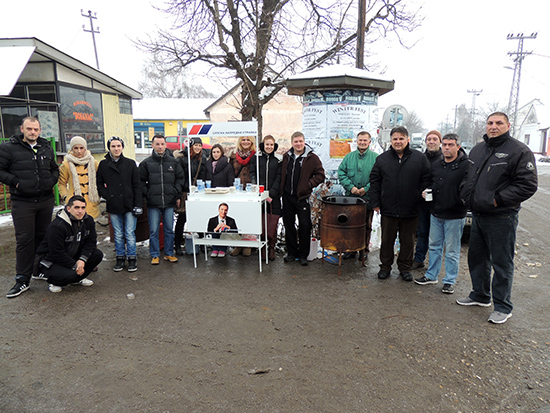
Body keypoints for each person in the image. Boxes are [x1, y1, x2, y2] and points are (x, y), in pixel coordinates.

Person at [457, 112, 538, 324]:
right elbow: (468, 176)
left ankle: (503, 306)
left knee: (502, 263)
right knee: (477, 258)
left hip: (502, 216)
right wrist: (465, 192)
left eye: (499, 123)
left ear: (508, 125)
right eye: (490, 123)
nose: (493, 126)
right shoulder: (478, 149)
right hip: (479, 214)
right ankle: (480, 295)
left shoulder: (519, 151)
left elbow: (527, 185)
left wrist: (497, 200)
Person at [0, 117, 59, 298]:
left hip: (45, 200)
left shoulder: (45, 147)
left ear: (40, 130)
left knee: (42, 237)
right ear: (22, 129)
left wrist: (51, 181)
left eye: (36, 129)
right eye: (29, 129)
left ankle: (38, 269)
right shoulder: (9, 148)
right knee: (25, 240)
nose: (33, 132)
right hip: (23, 202)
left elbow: (54, 169)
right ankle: (22, 279)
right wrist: (16, 183)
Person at [369, 126, 430, 281]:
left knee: (407, 241)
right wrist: (375, 202)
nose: (398, 142)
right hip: (388, 208)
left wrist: (420, 195)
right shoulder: (382, 159)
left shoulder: (419, 158)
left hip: (411, 208)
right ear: (391, 140)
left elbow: (426, 179)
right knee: (387, 240)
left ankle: (404, 268)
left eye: (401, 138)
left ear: (407, 140)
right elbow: (375, 182)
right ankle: (385, 267)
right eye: (395, 139)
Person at [414, 134, 468, 293]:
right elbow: (431, 183)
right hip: (436, 213)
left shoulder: (466, 165)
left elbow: (469, 187)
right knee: (434, 246)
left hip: (455, 215)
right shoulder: (437, 165)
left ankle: (449, 281)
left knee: (452, 250)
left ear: (458, 146)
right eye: (444, 144)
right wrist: (427, 192)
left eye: (450, 145)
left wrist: (463, 202)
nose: (446, 147)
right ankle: (431, 275)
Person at [34, 195, 103, 293]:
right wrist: (75, 266)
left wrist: (82, 260)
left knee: (97, 254)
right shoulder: (57, 226)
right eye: (76, 207)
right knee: (69, 274)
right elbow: (56, 253)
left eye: (83, 208)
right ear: (68, 208)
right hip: (51, 261)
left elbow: (90, 242)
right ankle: (54, 282)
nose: (80, 211)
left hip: (72, 255)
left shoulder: (88, 220)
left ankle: (77, 279)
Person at [97, 136, 143, 272]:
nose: (116, 149)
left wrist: (138, 204)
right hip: (114, 204)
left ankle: (132, 258)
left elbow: (137, 186)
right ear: (109, 148)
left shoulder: (130, 163)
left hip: (129, 203)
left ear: (122, 147)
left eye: (118, 146)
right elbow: (99, 183)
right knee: (117, 234)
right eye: (113, 146)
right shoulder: (104, 164)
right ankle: (120, 258)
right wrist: (107, 195)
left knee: (129, 233)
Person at [280, 131, 325, 266]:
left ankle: (303, 254)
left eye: (300, 141)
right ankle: (292, 253)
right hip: (287, 197)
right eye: (296, 142)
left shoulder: (312, 158)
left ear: (304, 142)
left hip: (302, 197)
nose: (298, 144)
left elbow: (320, 175)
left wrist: (309, 184)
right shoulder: (287, 157)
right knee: (289, 225)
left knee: (305, 226)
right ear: (292, 143)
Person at [139, 134, 184, 265]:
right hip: (153, 203)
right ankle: (154, 254)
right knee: (153, 230)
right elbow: (140, 181)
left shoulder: (173, 162)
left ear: (166, 145)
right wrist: (148, 193)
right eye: (157, 144)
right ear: (152, 145)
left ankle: (169, 253)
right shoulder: (146, 163)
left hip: (169, 202)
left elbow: (180, 178)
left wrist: (175, 192)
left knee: (169, 229)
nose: (160, 147)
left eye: (162, 144)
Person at [337, 131, 378, 265]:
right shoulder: (348, 157)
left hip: (367, 199)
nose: (362, 142)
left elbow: (378, 177)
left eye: (365, 140)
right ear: (357, 141)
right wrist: (351, 187)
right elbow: (341, 173)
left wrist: (365, 188)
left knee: (366, 226)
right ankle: (351, 250)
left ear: (369, 142)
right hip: (351, 199)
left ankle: (363, 251)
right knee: (350, 225)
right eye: (360, 140)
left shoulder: (376, 158)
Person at [412, 130, 442, 270]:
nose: (431, 141)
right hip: (423, 203)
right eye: (429, 139)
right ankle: (419, 259)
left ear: (439, 141)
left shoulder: (445, 157)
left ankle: (434, 266)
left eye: (435, 139)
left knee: (437, 237)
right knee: (422, 232)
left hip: (440, 203)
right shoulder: (420, 158)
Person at [250, 135, 282, 260]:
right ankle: (262, 247)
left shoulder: (278, 159)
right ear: (263, 145)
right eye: (267, 144)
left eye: (271, 145)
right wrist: (256, 187)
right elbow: (252, 173)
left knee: (273, 221)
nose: (269, 147)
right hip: (259, 195)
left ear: (274, 146)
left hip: (274, 196)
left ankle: (272, 247)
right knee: (261, 222)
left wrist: (272, 193)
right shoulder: (256, 158)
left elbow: (279, 177)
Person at [174, 137, 207, 256]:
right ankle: (177, 244)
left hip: (198, 194)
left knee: (200, 219)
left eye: (200, 145)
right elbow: (178, 178)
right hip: (185, 193)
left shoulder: (202, 159)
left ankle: (202, 243)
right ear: (191, 146)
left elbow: (203, 176)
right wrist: (178, 194)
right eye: (196, 145)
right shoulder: (182, 160)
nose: (198, 148)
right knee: (181, 220)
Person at [58, 136, 100, 219]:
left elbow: (100, 180)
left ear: (85, 148)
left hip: (91, 203)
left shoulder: (94, 163)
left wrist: (99, 195)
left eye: (81, 148)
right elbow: (61, 184)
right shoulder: (66, 165)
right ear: (72, 149)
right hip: (74, 204)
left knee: (91, 229)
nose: (79, 151)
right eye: (76, 148)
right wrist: (66, 197)